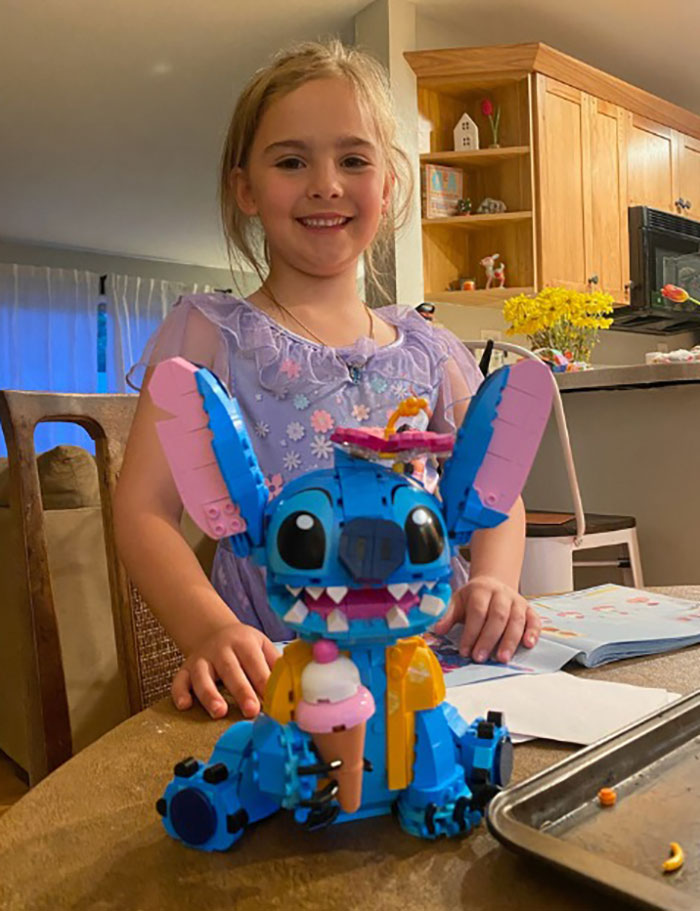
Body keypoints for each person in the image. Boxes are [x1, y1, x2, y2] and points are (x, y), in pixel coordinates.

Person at [114, 40, 541, 724]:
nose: (326, 184)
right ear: (246, 188)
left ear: (389, 184)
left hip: (437, 673)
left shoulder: (431, 347)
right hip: (280, 687)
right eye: (291, 160)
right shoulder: (209, 333)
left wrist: (493, 580)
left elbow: (496, 491)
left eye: (353, 159)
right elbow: (143, 512)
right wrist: (209, 631)